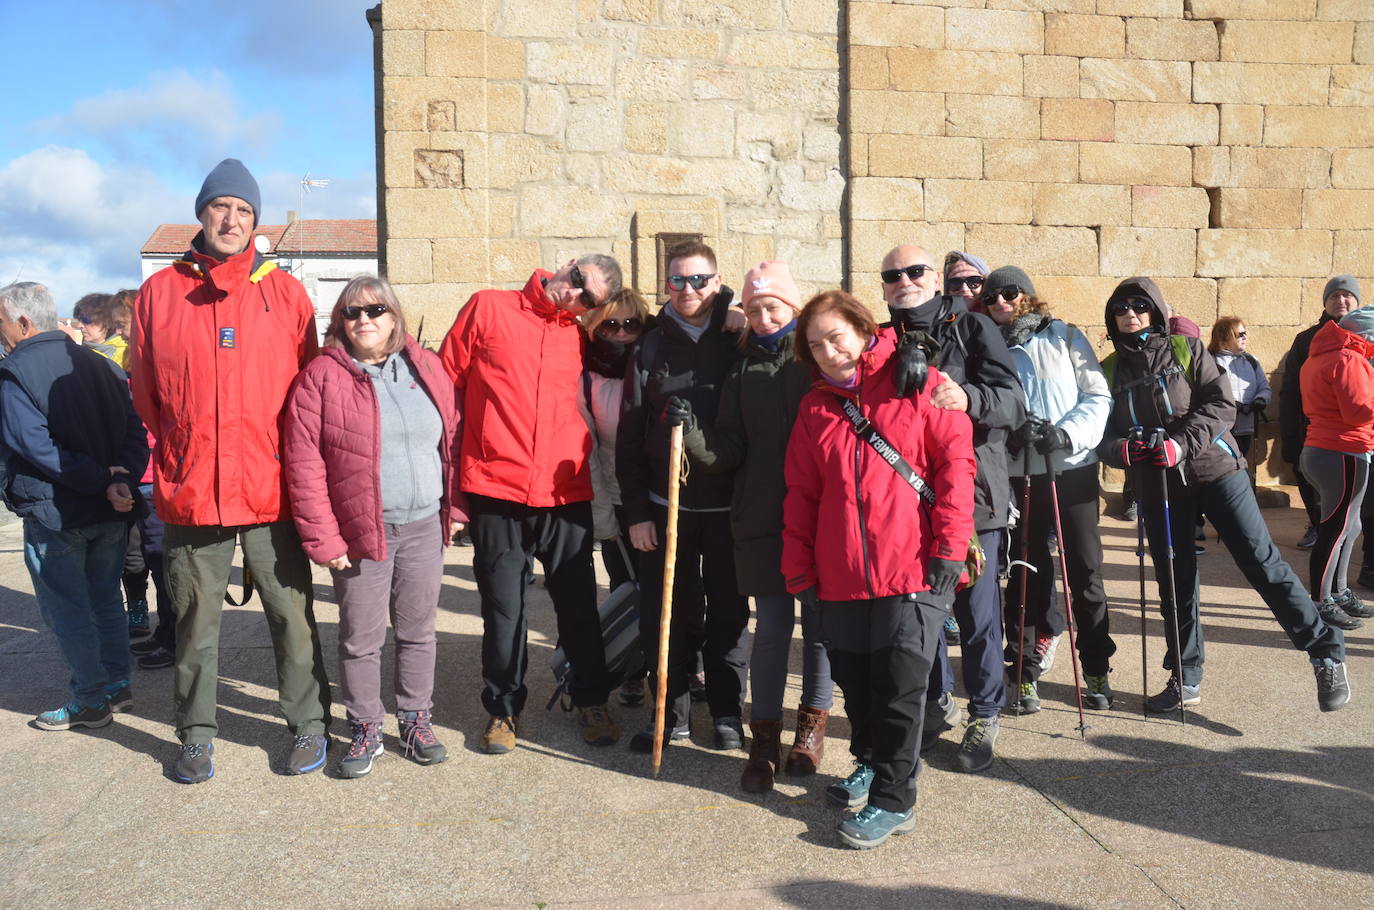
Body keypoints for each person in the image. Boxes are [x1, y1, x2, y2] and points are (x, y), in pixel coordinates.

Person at [131, 158, 332, 783]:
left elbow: (310, 392)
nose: (232, 219)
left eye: (244, 210)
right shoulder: (159, 293)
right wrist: (176, 454)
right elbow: (144, 395)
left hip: (271, 490)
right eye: (222, 206)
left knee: (291, 613)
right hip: (193, 492)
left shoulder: (285, 293)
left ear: (256, 223)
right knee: (193, 621)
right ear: (202, 212)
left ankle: (308, 723)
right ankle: (194, 734)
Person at [1097, 277, 1351, 714]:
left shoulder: (1186, 350)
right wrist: (1123, 449)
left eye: (1139, 304)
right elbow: (1102, 433)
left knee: (1261, 561)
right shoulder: (1110, 369)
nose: (1130, 313)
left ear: (1155, 309)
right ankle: (1185, 673)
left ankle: (1325, 652)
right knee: (1174, 580)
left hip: (1215, 470)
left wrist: (1179, 443)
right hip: (1159, 485)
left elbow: (1219, 406)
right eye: (1120, 307)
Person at [783, 289, 975, 849]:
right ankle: (868, 761)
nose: (828, 352)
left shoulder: (916, 382)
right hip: (840, 571)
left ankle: (896, 799)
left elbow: (955, 467)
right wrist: (799, 569)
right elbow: (802, 495)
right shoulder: (815, 407)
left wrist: (950, 545)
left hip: (913, 565)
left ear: (864, 331)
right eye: (816, 345)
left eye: (836, 337)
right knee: (856, 679)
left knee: (899, 685)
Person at [439, 254, 623, 754]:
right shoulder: (488, 307)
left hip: (566, 494)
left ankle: (591, 699)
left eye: (590, 300)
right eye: (579, 282)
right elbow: (444, 387)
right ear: (567, 266)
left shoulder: (583, 336)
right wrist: (451, 485)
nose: (577, 297)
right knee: (504, 610)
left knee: (579, 607)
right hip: (497, 488)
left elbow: (637, 345)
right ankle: (502, 710)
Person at [285, 276, 465, 778]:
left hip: (424, 525)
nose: (365, 319)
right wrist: (324, 537)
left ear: (394, 316)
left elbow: (451, 439)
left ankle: (414, 719)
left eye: (376, 309)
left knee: (418, 633)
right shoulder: (320, 376)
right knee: (361, 639)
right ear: (340, 321)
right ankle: (365, 726)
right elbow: (303, 464)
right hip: (362, 531)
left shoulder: (426, 368)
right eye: (353, 312)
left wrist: (452, 511)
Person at [679, 260, 835, 792]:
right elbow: (731, 447)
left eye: (775, 307)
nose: (765, 317)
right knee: (771, 631)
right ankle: (764, 737)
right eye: (755, 308)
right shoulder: (742, 370)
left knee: (819, 632)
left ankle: (811, 729)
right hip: (764, 518)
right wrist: (695, 436)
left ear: (794, 308)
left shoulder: (818, 362)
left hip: (822, 520)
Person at [879, 245, 1025, 774]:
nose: (904, 281)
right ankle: (935, 702)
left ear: (932, 281)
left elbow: (1012, 402)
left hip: (973, 497)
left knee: (978, 614)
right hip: (905, 498)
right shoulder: (880, 338)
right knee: (921, 617)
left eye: (915, 271)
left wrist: (967, 396)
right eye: (892, 275)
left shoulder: (973, 327)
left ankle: (985, 710)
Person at [618, 241, 750, 754]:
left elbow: (795, 330)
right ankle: (668, 716)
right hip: (663, 503)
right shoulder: (650, 345)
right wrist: (635, 512)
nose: (689, 289)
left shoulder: (741, 335)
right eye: (678, 280)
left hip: (727, 507)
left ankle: (725, 712)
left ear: (717, 282)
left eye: (699, 280)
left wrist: (740, 315)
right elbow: (628, 434)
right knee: (667, 615)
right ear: (665, 284)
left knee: (729, 616)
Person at [0, 282, 148, 730]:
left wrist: (106, 479)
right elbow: (134, 429)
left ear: (24, 323)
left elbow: (35, 446)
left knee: (69, 608)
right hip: (105, 509)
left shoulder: (15, 372)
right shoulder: (101, 365)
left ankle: (90, 699)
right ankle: (116, 686)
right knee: (104, 598)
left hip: (57, 511)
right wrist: (118, 476)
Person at [979, 266, 1114, 713]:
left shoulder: (1064, 336)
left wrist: (1066, 433)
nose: (1002, 301)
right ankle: (1023, 669)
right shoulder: (985, 344)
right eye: (993, 295)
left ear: (1028, 295)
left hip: (1070, 466)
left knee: (1085, 569)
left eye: (1011, 292)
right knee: (1025, 570)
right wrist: (1007, 431)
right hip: (1020, 471)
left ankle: (1096, 666)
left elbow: (1096, 395)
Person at [1297, 307, 1374, 632]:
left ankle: (1339, 592)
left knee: (1349, 526)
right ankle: (1320, 600)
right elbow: (1358, 411)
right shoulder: (1349, 359)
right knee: (1335, 530)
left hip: (1322, 449)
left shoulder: (1320, 355)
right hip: (1343, 450)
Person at [1281, 277, 1361, 550]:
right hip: (1317, 430)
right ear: (1325, 302)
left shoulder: (1367, 337)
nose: (1341, 301)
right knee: (1311, 484)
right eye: (1334, 296)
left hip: (1359, 432)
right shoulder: (1306, 341)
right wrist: (1291, 438)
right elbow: (1290, 392)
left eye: (1347, 295)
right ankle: (1318, 525)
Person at [1208, 317, 1270, 465]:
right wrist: (1228, 404)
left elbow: (1264, 386)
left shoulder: (1251, 361)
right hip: (1221, 427)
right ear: (1224, 337)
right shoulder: (1210, 360)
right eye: (1239, 334)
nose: (1244, 337)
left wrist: (1261, 399)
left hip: (1246, 424)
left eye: (1245, 333)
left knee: (1241, 461)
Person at [72, 293, 128, 368]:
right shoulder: (75, 355)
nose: (80, 326)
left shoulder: (128, 355)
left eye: (86, 319)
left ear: (108, 321)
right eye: (80, 319)